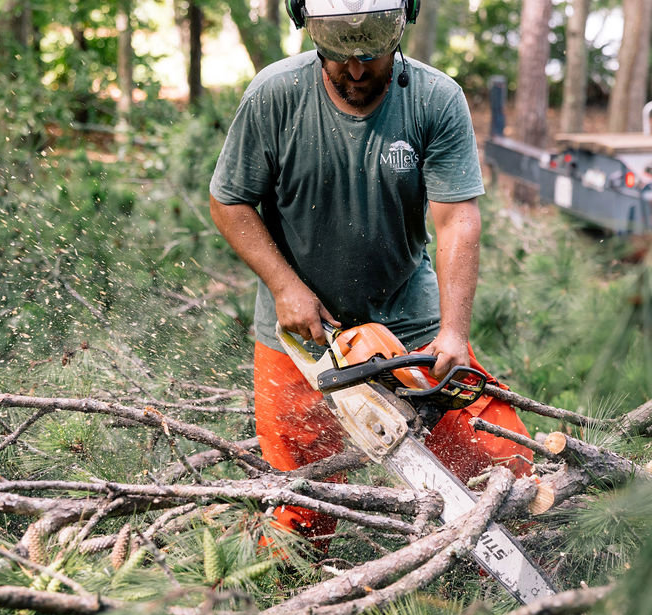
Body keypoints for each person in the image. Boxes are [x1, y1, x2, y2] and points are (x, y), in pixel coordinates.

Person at [208, 0, 534, 545]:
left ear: (402, 21)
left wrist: (453, 331)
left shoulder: (433, 98)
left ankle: (536, 556)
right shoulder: (275, 95)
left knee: (496, 459)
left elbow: (456, 219)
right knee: (303, 502)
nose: (357, 70)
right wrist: (287, 287)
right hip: (301, 339)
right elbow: (229, 202)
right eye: (339, 56)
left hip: (409, 320)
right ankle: (294, 605)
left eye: (373, 55)